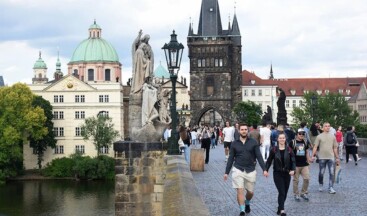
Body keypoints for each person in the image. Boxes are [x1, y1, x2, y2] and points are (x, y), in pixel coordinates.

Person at [224, 123, 267, 216]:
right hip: (238, 169)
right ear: (239, 131)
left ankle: (247, 202)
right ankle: (242, 210)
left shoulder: (253, 142)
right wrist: (226, 172)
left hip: (250, 170)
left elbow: (259, 156)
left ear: (248, 131)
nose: (244, 131)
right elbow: (231, 158)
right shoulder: (234, 143)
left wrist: (264, 169)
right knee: (240, 190)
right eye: (242, 129)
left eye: (245, 129)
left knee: (250, 192)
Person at [264, 133, 296, 216]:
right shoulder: (274, 149)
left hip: (287, 173)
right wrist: (266, 170)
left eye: (283, 138)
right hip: (277, 173)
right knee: (281, 191)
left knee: (285, 192)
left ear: (285, 139)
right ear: (277, 139)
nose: (282, 139)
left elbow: (293, 161)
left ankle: (279, 208)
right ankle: (282, 210)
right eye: (280, 138)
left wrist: (293, 170)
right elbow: (269, 161)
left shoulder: (289, 149)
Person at [312, 122, 339, 194]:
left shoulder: (333, 136)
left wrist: (337, 157)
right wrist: (313, 156)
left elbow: (335, 148)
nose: (327, 127)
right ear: (323, 128)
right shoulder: (319, 136)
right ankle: (321, 184)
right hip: (322, 157)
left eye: (328, 126)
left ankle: (331, 187)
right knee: (321, 173)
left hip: (331, 157)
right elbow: (315, 147)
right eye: (326, 126)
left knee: (332, 173)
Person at [291, 129, 311, 202]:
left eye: (303, 134)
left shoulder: (305, 142)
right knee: (296, 180)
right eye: (300, 133)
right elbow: (290, 154)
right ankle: (296, 194)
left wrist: (308, 162)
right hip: (295, 165)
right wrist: (291, 166)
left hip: (304, 164)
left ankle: (303, 192)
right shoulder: (292, 142)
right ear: (297, 134)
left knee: (307, 178)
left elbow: (307, 152)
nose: (301, 135)